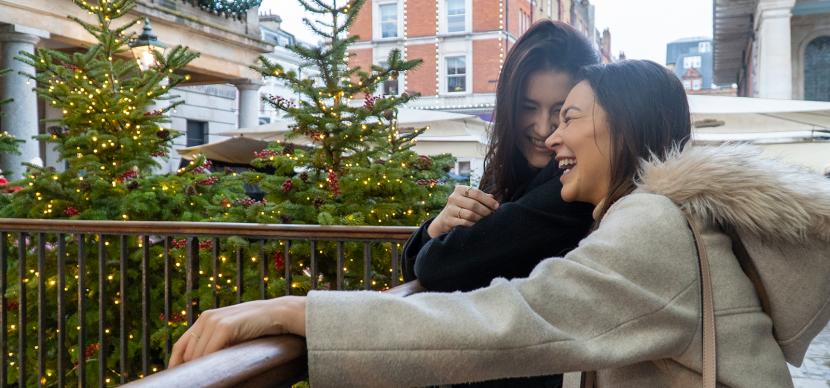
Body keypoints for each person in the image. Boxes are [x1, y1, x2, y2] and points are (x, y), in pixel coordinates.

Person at [168, 60, 830, 387]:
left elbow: (500, 320)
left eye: (570, 115)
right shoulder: (660, 216)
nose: (549, 137)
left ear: (621, 125)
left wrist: (293, 311)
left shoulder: (651, 225)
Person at [404, 19, 597, 293]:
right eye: (528, 108)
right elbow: (418, 266)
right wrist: (439, 226)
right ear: (509, 108)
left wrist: (437, 239)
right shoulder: (506, 173)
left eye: (561, 111)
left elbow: (436, 266)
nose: (543, 129)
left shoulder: (572, 191)